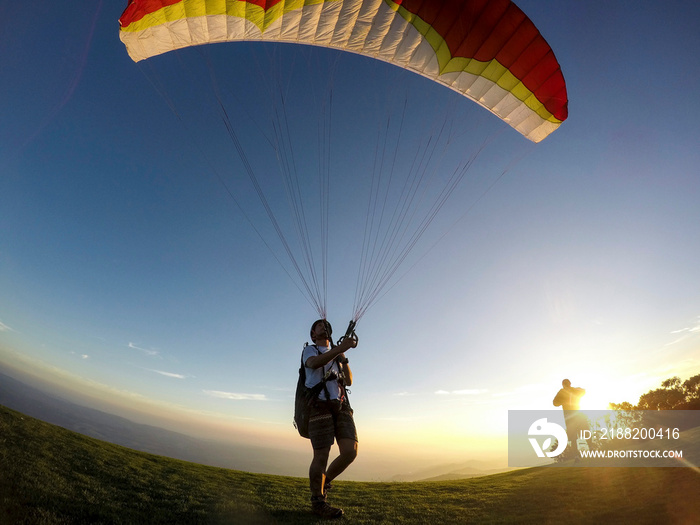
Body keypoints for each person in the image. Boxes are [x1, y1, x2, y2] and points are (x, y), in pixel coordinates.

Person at [302, 319, 358, 519]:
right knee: (321, 455)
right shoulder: (310, 350)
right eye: (318, 325)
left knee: (350, 452)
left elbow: (349, 380)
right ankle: (318, 501)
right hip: (319, 406)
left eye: (325, 325)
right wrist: (339, 349)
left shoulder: (336, 354)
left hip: (341, 406)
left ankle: (324, 483)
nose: (323, 326)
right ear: (313, 334)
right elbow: (314, 364)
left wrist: (343, 358)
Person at [553, 379, 586, 447]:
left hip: (576, 415)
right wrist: (563, 400)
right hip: (571, 416)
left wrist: (572, 391)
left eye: (567, 383)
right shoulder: (561, 392)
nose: (566, 385)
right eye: (565, 384)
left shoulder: (574, 390)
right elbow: (555, 403)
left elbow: (583, 391)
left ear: (569, 384)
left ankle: (591, 448)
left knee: (584, 431)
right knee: (573, 436)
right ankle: (576, 455)